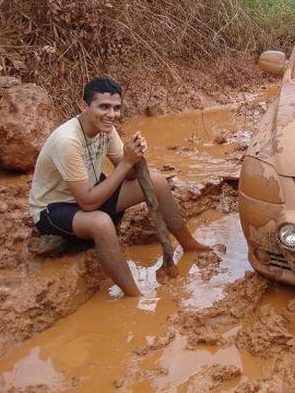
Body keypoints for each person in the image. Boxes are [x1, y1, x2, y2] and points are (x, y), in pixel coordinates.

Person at [29, 77, 208, 297]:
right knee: (102, 224)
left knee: (157, 181)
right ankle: (134, 295)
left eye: (116, 108)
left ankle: (189, 244)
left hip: (91, 193)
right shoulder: (67, 141)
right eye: (103, 107)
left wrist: (135, 155)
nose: (111, 114)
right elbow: (88, 202)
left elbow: (132, 175)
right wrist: (125, 162)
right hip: (54, 209)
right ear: (83, 106)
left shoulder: (106, 128)